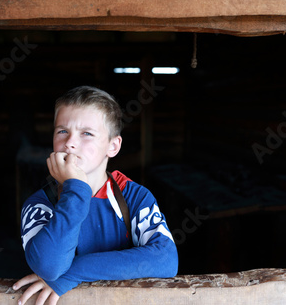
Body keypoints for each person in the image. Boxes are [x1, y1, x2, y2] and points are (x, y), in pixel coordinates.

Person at [13, 85, 178, 304]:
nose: (70, 142)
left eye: (87, 134)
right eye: (62, 131)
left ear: (113, 146)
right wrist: (77, 191)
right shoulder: (39, 204)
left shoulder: (134, 197)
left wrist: (73, 273)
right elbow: (49, 267)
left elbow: (165, 260)